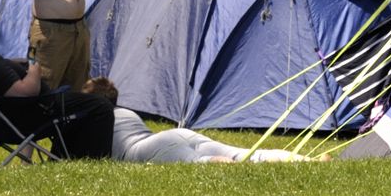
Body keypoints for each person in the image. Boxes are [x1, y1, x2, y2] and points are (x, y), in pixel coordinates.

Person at [0, 7, 114, 161]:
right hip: (31, 117)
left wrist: (10, 64)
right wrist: (34, 71)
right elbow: (26, 92)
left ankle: (63, 158)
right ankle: (95, 161)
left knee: (77, 105)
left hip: (3, 121)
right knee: (100, 106)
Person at [80, 78, 311, 164]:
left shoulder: (95, 120)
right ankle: (305, 159)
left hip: (150, 149)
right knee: (245, 153)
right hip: (177, 135)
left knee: (203, 162)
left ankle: (218, 163)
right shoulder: (128, 112)